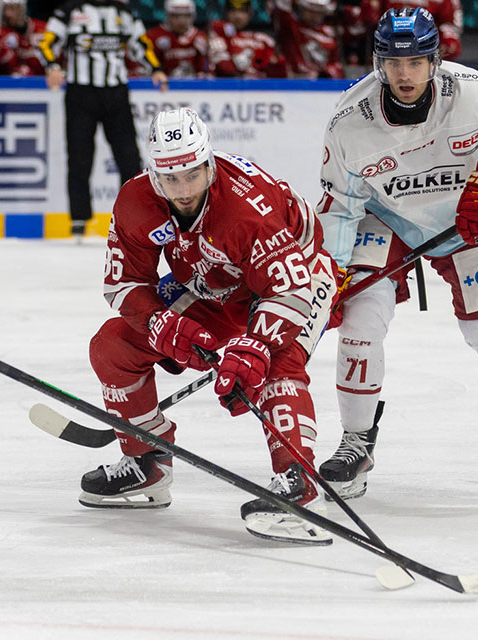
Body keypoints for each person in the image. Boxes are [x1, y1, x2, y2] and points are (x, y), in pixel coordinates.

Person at [316, 8, 478, 506]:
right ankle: (355, 444)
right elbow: (338, 207)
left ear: (436, 59)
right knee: (360, 322)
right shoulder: (348, 120)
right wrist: (331, 273)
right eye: (394, 62)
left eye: (416, 61)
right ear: (378, 63)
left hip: (466, 216)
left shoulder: (476, 93)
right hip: (385, 218)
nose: (405, 73)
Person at [83, 107, 339, 544]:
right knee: (113, 345)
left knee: (277, 360)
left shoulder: (247, 210)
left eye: (192, 174)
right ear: (154, 173)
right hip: (211, 283)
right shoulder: (135, 200)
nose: (183, 190)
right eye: (171, 179)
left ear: (209, 164)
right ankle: (148, 461)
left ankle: (298, 483)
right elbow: (122, 283)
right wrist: (160, 322)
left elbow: (289, 290)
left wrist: (252, 347)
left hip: (299, 279)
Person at [39, 0, 169, 239]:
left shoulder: (124, 12)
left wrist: (156, 68)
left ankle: (134, 215)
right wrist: (52, 65)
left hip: (116, 93)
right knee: (79, 157)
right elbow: (46, 43)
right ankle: (79, 218)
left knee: (129, 157)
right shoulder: (68, 11)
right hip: (80, 93)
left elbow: (141, 44)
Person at [209, 0, 288, 78]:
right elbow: (219, 69)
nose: (238, 16)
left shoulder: (265, 40)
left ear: (250, 12)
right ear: (226, 12)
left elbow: (280, 72)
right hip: (228, 87)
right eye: (233, 10)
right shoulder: (218, 35)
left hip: (260, 87)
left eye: (242, 10)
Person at [146, 0, 209, 78]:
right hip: (164, 85)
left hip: (193, 86)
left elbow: (206, 70)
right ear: (167, 16)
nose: (181, 21)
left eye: (186, 16)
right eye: (176, 16)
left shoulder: (200, 37)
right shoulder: (153, 37)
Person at [0, 0, 48, 77]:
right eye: (4, 9)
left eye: (12, 8)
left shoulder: (43, 30)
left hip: (39, 83)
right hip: (5, 84)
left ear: (22, 9)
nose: (7, 14)